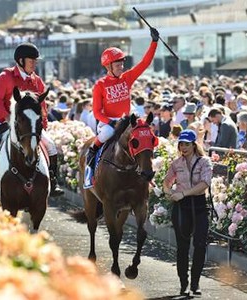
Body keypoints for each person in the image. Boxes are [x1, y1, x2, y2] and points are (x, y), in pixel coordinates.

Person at [0, 42, 64, 197]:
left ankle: (53, 179)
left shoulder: (37, 80)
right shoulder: (5, 77)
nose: (35, 64)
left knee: (50, 146)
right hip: (4, 120)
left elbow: (41, 105)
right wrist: (7, 118)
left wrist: (42, 124)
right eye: (32, 61)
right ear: (21, 61)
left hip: (29, 126)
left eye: (36, 61)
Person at [86, 27, 159, 168]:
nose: (121, 67)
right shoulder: (100, 85)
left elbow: (145, 63)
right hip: (109, 123)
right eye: (118, 65)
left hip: (126, 120)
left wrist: (154, 42)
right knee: (107, 133)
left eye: (122, 64)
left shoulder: (127, 78)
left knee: (144, 132)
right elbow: (96, 112)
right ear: (108, 66)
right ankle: (91, 152)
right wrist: (111, 123)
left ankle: (147, 164)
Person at [162, 129, 212, 297]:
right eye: (181, 144)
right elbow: (166, 182)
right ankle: (183, 284)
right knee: (182, 247)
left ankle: (195, 283)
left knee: (199, 245)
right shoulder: (176, 164)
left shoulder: (205, 162)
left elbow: (205, 183)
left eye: (187, 144)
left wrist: (184, 193)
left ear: (194, 145)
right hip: (182, 208)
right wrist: (169, 193)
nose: (183, 147)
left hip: (198, 205)